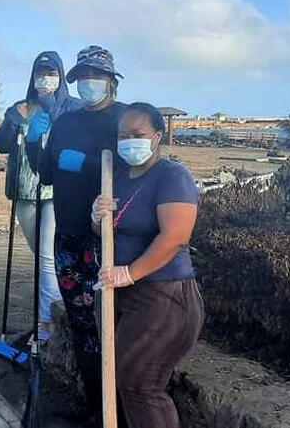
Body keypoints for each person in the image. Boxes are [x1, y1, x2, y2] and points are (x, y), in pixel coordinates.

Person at [26, 45, 127, 421]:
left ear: (111, 82)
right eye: (83, 78)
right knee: (84, 329)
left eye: (96, 78)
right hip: (69, 236)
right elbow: (48, 175)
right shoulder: (66, 122)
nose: (88, 84)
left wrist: (88, 165)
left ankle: (120, 408)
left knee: (112, 326)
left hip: (109, 240)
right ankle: (95, 408)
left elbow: (136, 167)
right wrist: (37, 144)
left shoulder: (124, 119)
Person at [92, 103, 204, 428]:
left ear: (157, 136)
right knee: (121, 379)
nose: (129, 141)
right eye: (122, 135)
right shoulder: (118, 177)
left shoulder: (172, 175)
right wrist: (97, 218)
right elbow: (111, 231)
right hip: (120, 292)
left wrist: (130, 273)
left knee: (141, 384)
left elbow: (175, 237)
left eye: (137, 135)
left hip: (163, 295)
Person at [0, 51, 83, 341]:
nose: (46, 78)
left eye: (52, 72)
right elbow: (2, 145)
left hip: (55, 192)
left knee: (46, 256)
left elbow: (75, 140)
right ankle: (58, 307)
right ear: (32, 76)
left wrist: (52, 112)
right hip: (23, 190)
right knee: (43, 256)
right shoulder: (20, 108)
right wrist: (13, 120)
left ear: (60, 76)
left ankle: (47, 325)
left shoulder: (71, 108)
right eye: (41, 72)